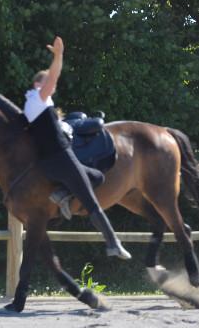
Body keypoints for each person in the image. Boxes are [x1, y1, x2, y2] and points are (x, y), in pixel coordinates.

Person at [23, 36, 131, 260]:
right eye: (46, 85)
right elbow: (52, 80)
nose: (52, 88)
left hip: (51, 161)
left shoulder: (34, 105)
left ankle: (63, 193)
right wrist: (59, 56)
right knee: (91, 202)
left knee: (97, 177)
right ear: (37, 85)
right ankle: (113, 244)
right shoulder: (37, 99)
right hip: (60, 158)